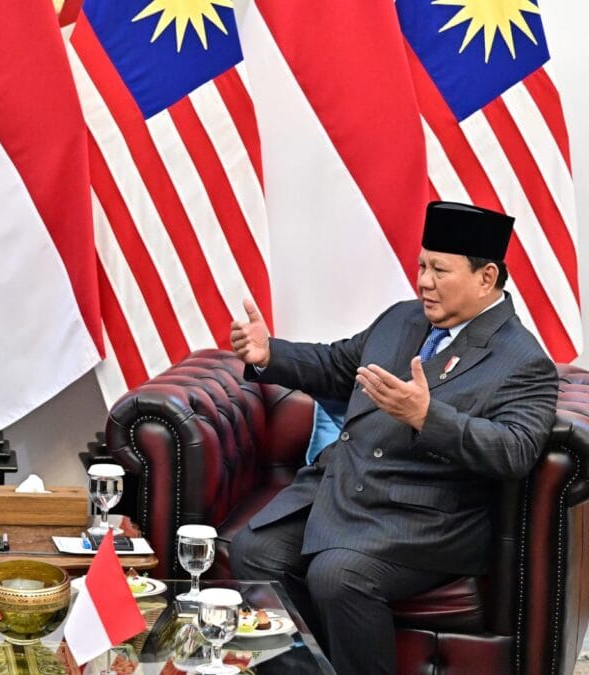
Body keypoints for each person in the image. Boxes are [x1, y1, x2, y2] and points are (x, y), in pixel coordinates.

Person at [228, 201, 558, 675]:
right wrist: (269, 354)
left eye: (439, 270)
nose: (423, 281)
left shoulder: (523, 361)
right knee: (254, 553)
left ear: (486, 278)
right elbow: (337, 365)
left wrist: (427, 416)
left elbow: (514, 450)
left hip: (424, 516)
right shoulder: (403, 319)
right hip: (344, 488)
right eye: (421, 266)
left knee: (337, 576)